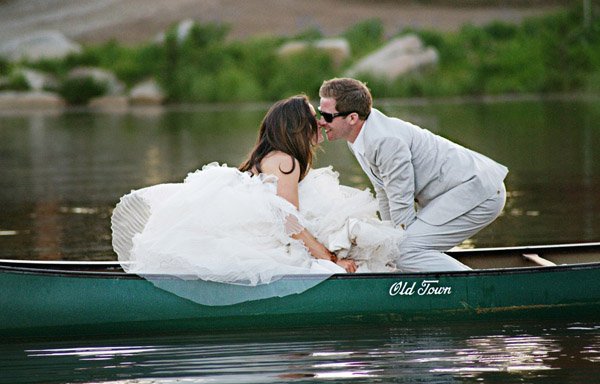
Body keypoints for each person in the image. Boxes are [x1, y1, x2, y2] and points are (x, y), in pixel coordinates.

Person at [111, 95, 403, 304]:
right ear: (297, 127)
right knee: (330, 261)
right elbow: (290, 223)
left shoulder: (270, 156)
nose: (320, 122)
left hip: (256, 225)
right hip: (261, 236)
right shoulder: (287, 161)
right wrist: (329, 258)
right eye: (313, 117)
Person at [318, 78, 508, 272]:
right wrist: (387, 235)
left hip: (479, 193)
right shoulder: (358, 137)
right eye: (320, 112)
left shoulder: (385, 141)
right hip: (451, 194)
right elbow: (383, 190)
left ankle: (476, 288)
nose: (321, 122)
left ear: (352, 118)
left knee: (404, 252)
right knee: (396, 249)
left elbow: (401, 202)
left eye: (327, 116)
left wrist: (394, 245)